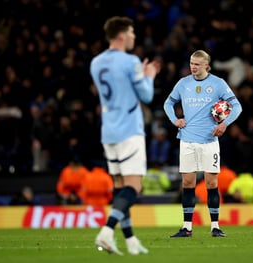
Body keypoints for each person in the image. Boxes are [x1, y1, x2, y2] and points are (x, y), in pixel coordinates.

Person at [90, 16, 160, 255]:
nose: (134, 37)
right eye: (131, 33)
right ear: (121, 36)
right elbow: (147, 96)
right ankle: (106, 232)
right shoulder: (131, 62)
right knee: (134, 187)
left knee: (120, 188)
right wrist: (148, 74)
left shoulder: (96, 63)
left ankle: (130, 241)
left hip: (108, 132)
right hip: (129, 131)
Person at [163, 50, 242, 238]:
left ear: (207, 66)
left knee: (211, 183)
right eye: (191, 63)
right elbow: (168, 103)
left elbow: (236, 106)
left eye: (197, 64)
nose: (193, 67)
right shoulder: (183, 84)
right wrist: (175, 119)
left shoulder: (218, 84)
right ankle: (187, 228)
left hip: (209, 141)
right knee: (187, 183)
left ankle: (215, 226)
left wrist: (224, 124)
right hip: (187, 139)